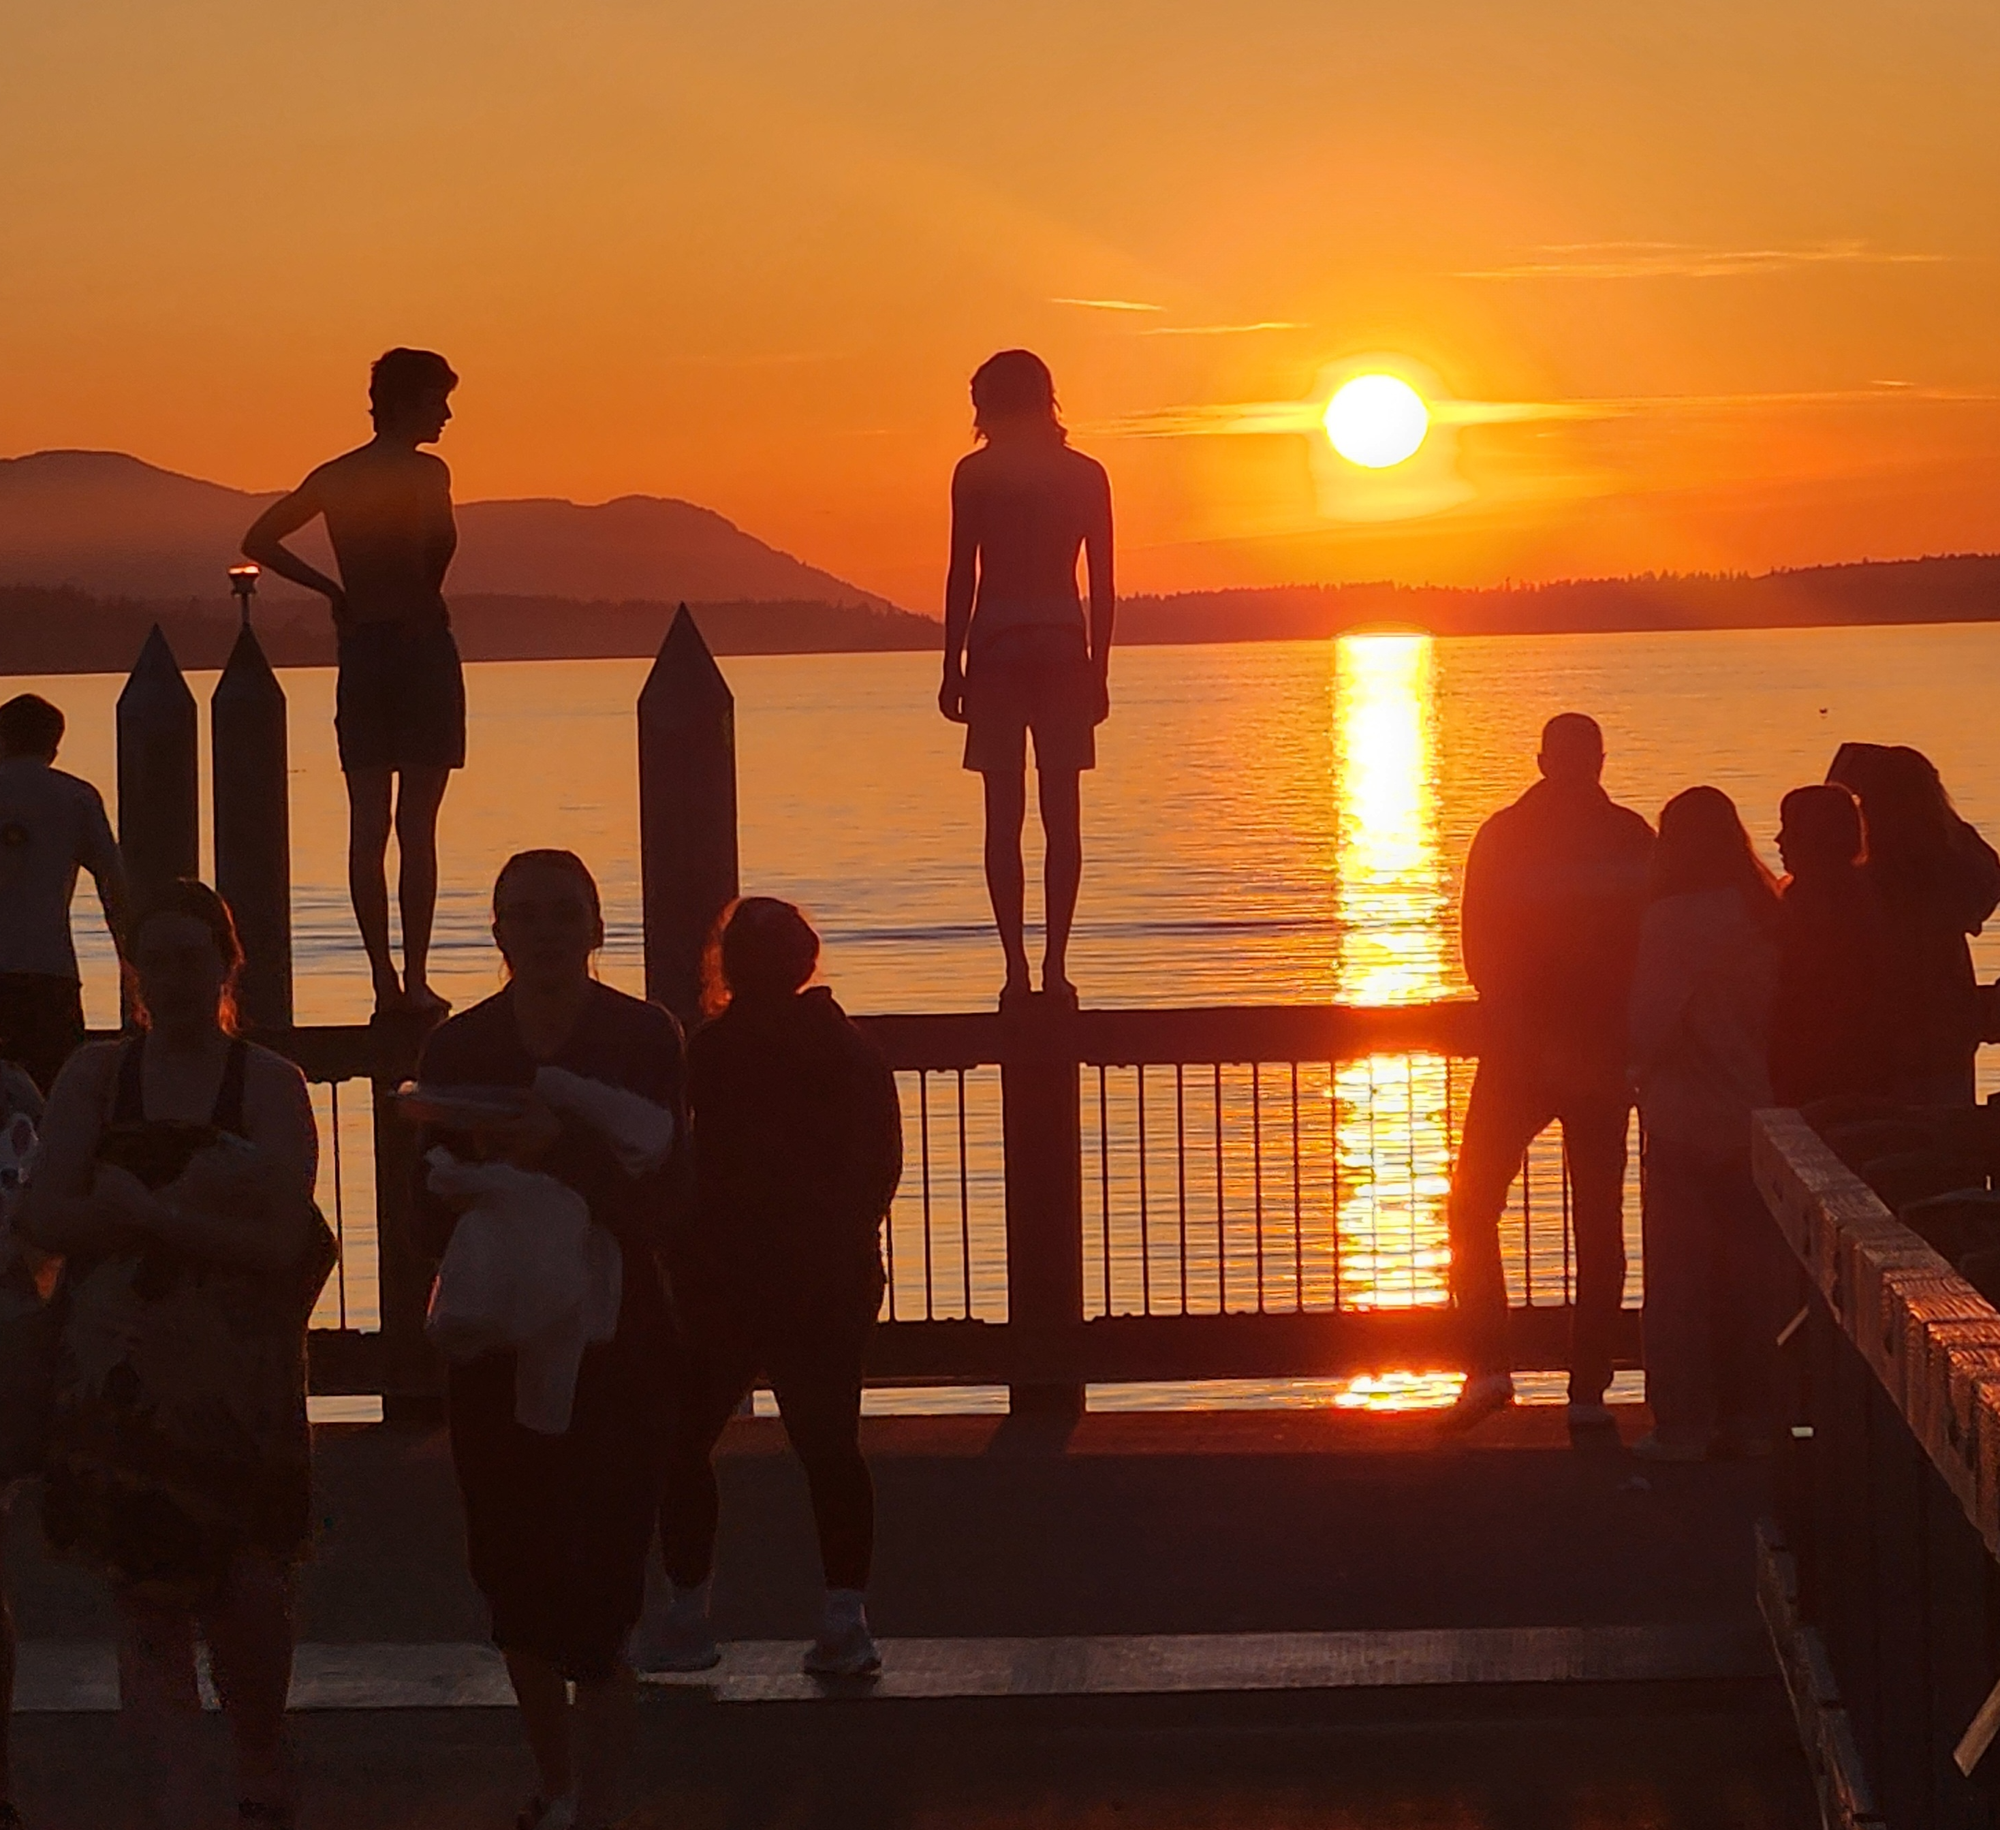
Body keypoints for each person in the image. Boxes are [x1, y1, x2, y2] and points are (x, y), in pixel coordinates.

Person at [18, 881, 331, 1830]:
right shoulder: (95, 1076)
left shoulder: (268, 1083)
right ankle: (177, 1798)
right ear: (136, 973)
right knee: (145, 1594)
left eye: (194, 958)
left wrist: (152, 1217)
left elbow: (286, 1240)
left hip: (238, 1376)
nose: (176, 979)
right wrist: (146, 1223)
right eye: (156, 960)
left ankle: (259, 1762)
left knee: (246, 1585)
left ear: (228, 964)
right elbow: (40, 1214)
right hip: (121, 1374)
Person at [412, 851, 682, 1830]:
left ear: (597, 925)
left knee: (605, 1577)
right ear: (496, 934)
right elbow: (421, 1197)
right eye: (522, 915)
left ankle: (600, 1803)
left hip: (616, 1345)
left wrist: (557, 1152)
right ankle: (557, 1784)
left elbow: (665, 1199)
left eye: (564, 913)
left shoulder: (642, 1036)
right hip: (495, 1344)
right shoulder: (458, 1047)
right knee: (513, 1575)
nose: (544, 931)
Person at [647, 898, 901, 1679]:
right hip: (826, 1275)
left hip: (724, 1280)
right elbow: (879, 1169)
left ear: (725, 966)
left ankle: (688, 1616)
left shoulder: (711, 1050)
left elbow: (688, 1164)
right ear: (808, 961)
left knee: (681, 1444)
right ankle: (843, 1617)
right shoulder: (850, 1048)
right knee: (829, 1448)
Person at [1442, 713, 1655, 1431]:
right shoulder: (1631, 837)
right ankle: (1587, 1386)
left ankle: (1489, 1367)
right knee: (1596, 1220)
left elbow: (1478, 940)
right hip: (1594, 1051)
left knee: (1474, 1206)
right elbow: (1648, 944)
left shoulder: (1503, 835)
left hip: (1521, 1051)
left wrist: (1510, 1005)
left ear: (1546, 760)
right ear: (1597, 759)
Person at [242, 347, 465, 1020]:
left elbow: (259, 539)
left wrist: (334, 589)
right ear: (403, 405)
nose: (446, 414)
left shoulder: (336, 476)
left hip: (363, 647)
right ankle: (414, 979)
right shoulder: (427, 472)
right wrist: (411, 591)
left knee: (369, 825)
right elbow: (437, 548)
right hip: (418, 649)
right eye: (436, 401)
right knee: (415, 827)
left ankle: (383, 982)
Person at [939, 350, 1114, 1009]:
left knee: (1002, 819)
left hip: (998, 649)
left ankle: (1015, 969)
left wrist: (951, 664)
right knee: (1061, 818)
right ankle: (1055, 967)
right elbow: (1101, 585)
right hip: (1064, 648)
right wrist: (1099, 669)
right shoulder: (1085, 475)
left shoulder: (976, 475)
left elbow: (964, 574)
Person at [1627, 787, 1782, 1461]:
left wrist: (1626, 1068)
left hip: (1688, 1118)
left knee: (1684, 1278)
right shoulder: (1767, 910)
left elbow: (1650, 1023)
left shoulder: (1672, 920)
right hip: (1761, 1115)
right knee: (1753, 1278)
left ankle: (1686, 1425)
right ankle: (1757, 1419)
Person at [1828, 744, 2000, 1105]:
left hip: (1886, 1022)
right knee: (1944, 1116)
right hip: (1946, 1011)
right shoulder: (1952, 858)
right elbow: (1987, 884)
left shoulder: (1868, 869)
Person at [0, 692, 127, 1092]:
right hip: (49, 973)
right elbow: (115, 887)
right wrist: (132, 968)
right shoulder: (76, 797)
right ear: (54, 747)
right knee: (55, 1098)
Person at [1770, 784, 1895, 1107]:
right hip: (1865, 1066)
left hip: (1816, 1067)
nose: (1778, 841)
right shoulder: (1867, 896)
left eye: (1788, 829)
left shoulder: (1809, 906)